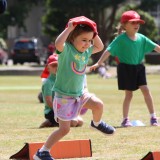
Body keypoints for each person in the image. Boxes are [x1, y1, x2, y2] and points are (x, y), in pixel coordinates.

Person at [33, 16, 115, 160]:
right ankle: (42, 152)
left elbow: (100, 47)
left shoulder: (87, 51)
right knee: (64, 130)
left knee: (98, 105)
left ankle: (96, 123)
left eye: (90, 40)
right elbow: (58, 43)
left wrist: (93, 32)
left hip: (80, 93)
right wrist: (69, 28)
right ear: (72, 38)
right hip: (64, 96)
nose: (87, 44)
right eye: (84, 40)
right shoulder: (67, 50)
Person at [90, 10, 160, 127]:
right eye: (133, 22)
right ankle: (125, 119)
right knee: (129, 95)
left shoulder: (142, 38)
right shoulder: (121, 39)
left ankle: (153, 117)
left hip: (139, 68)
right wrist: (98, 63)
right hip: (126, 68)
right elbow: (108, 51)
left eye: (138, 22)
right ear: (124, 25)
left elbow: (156, 47)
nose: (136, 25)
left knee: (146, 90)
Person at [39, 54, 84, 128]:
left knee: (80, 122)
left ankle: (52, 122)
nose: (56, 67)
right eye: (53, 65)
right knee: (73, 122)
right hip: (52, 111)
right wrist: (61, 111)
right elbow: (49, 101)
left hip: (64, 108)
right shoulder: (48, 83)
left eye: (58, 65)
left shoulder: (63, 80)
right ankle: (51, 121)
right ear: (48, 67)